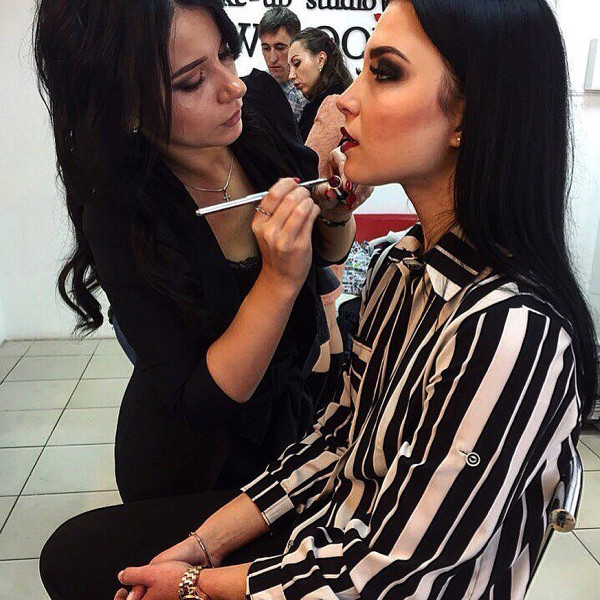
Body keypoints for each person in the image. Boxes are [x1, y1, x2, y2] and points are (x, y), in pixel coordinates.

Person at [40, 0, 598, 598]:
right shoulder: (402, 267)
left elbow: (389, 575)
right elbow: (337, 438)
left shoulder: (507, 330)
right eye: (192, 81)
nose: (344, 100)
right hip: (265, 483)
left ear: (470, 114)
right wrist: (202, 545)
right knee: (76, 556)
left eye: (384, 73)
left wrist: (198, 583)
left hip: (358, 564)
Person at [33, 0, 359, 502]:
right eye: (191, 82)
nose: (234, 87)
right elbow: (201, 403)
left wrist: (334, 211)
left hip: (296, 425)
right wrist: (277, 280)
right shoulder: (122, 209)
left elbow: (324, 252)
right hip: (198, 466)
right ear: (126, 102)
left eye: (226, 54)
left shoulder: (257, 117)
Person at [289, 28, 353, 143]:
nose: (291, 75)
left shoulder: (333, 105)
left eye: (297, 63)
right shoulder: (343, 96)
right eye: (289, 67)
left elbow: (315, 154)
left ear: (321, 59)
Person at [258, 7, 308, 122]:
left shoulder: (308, 94)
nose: (272, 59)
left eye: (280, 48)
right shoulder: (254, 87)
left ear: (296, 46)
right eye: (266, 48)